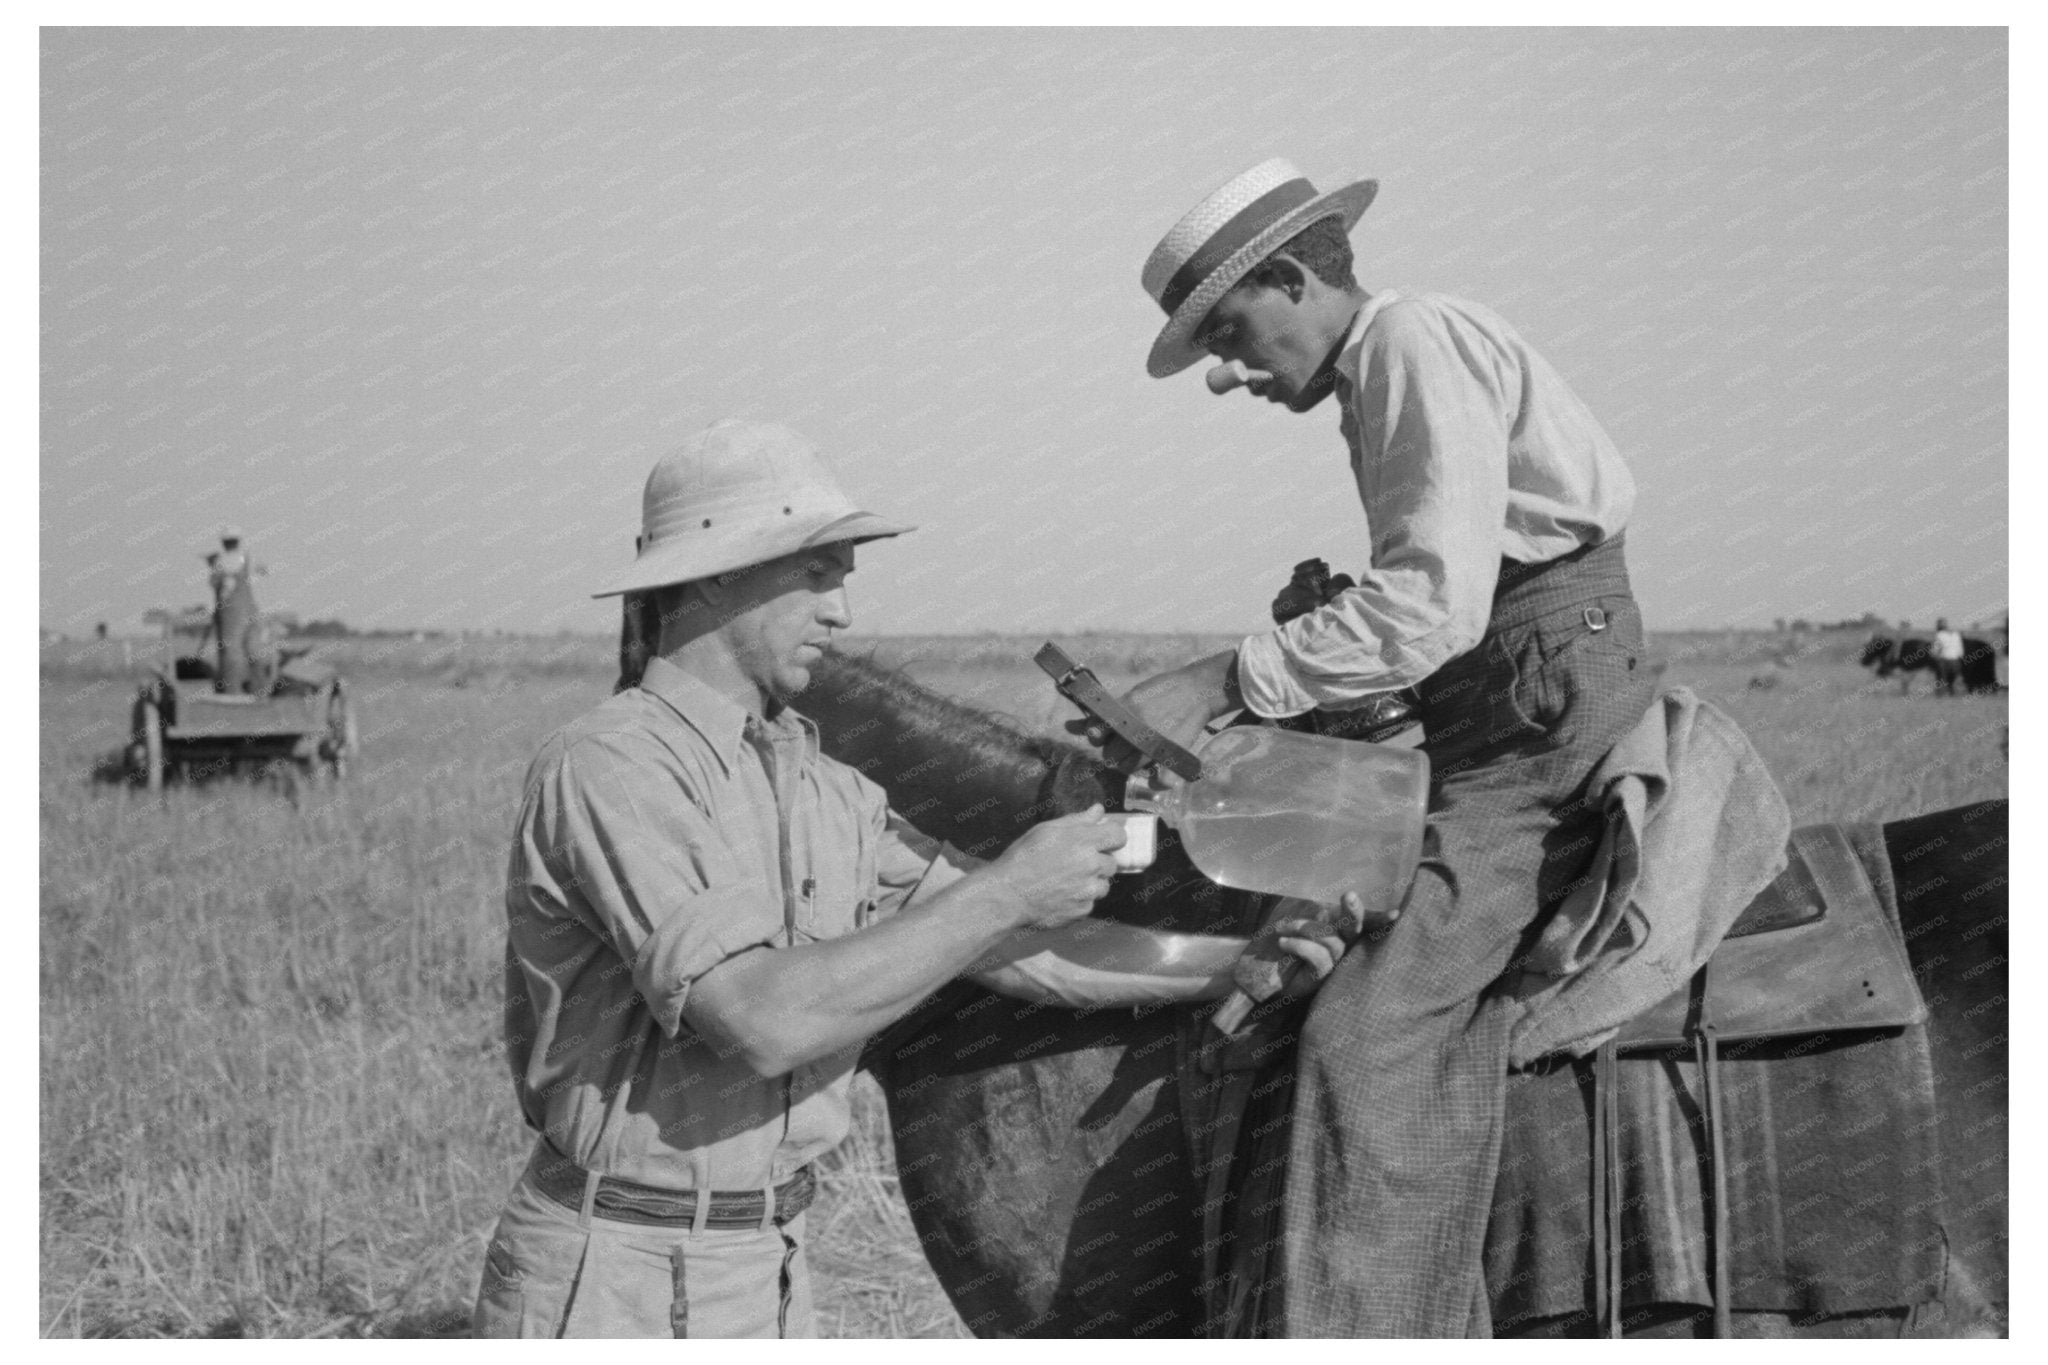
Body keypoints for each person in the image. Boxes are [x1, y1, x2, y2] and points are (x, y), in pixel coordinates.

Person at [473, 418, 1350, 1339]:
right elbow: (761, 1020)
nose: (842, 610)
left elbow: (1024, 953)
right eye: (817, 573)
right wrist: (1008, 886)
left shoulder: (825, 788)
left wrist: (1236, 965)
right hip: (614, 1278)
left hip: (764, 1266)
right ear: (719, 573)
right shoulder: (615, 766)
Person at [1098, 159, 1661, 1336]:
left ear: (1295, 277)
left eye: (1237, 335)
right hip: (1499, 696)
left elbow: (1432, 609)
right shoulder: (1385, 366)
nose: (1228, 374)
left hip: (1531, 721)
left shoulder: (1407, 342)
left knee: (1366, 1039)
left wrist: (1224, 677)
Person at [207, 529, 266, 693]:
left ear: (224, 543)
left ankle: (232, 693)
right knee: (254, 650)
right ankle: (260, 691)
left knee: (231, 652)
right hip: (251, 610)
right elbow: (263, 569)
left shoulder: (221, 560)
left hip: (232, 612)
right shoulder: (246, 557)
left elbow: (218, 584)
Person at [1930, 617, 1964, 696]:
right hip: (1956, 661)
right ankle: (1952, 694)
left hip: (1944, 661)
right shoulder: (1956, 634)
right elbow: (1960, 651)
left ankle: (1940, 697)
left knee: (1941, 680)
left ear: (1938, 626)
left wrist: (1932, 655)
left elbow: (1936, 649)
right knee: (1952, 681)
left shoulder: (1939, 635)